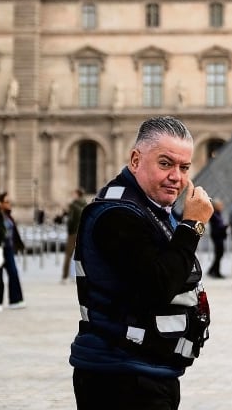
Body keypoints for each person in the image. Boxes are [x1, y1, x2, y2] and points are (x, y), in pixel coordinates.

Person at [70, 116, 214, 409]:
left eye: (184, 167)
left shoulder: (153, 210)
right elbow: (159, 286)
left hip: (145, 370)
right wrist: (193, 226)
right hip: (121, 376)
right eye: (165, 163)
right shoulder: (116, 216)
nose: (177, 176)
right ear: (136, 160)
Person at [0, 194, 27, 309]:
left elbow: (13, 232)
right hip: (0, 248)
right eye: (6, 202)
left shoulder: (7, 216)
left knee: (13, 273)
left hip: (8, 248)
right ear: (0, 203)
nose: (9, 204)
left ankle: (16, 299)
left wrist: (19, 244)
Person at [63, 189, 87, 282]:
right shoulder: (85, 204)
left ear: (77, 195)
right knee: (80, 255)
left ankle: (65, 276)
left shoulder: (73, 205)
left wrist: (69, 231)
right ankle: (80, 276)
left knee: (68, 255)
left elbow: (71, 220)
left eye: (74, 194)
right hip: (81, 232)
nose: (72, 195)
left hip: (73, 232)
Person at [208, 199, 228, 278]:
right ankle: (215, 271)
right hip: (217, 236)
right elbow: (218, 226)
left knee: (219, 254)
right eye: (220, 205)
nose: (222, 207)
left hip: (219, 236)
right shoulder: (214, 214)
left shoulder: (218, 214)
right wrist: (225, 226)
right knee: (219, 254)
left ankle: (212, 270)